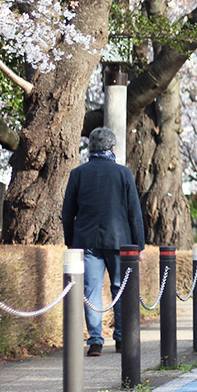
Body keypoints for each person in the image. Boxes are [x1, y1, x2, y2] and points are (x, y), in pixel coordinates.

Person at [62, 127, 145, 357]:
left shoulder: (78, 174)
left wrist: (70, 241)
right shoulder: (123, 173)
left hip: (87, 241)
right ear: (112, 148)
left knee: (90, 290)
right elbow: (134, 213)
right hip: (119, 242)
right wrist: (139, 245)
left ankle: (96, 341)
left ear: (90, 149)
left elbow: (68, 212)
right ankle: (120, 338)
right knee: (120, 288)